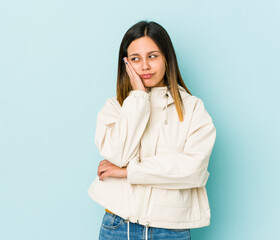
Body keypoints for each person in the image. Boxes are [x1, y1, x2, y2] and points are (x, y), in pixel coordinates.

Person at [87, 20, 216, 240]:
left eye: (153, 56)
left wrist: (128, 172)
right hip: (117, 225)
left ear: (167, 58)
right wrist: (138, 97)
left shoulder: (193, 109)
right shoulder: (115, 107)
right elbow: (117, 155)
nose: (145, 66)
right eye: (136, 59)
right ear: (126, 64)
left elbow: (193, 171)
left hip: (170, 229)